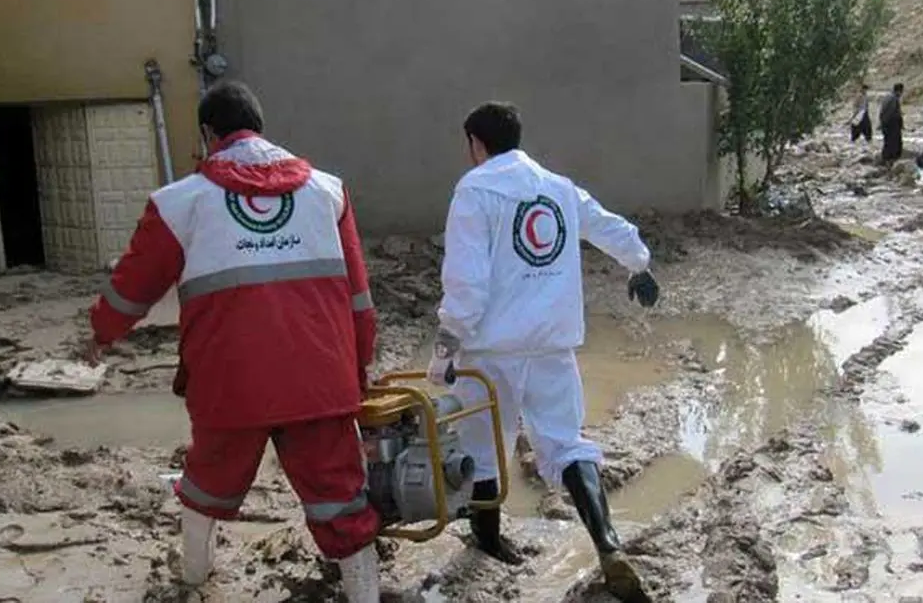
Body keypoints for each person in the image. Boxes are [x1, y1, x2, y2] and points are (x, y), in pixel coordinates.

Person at [86, 81, 381, 602]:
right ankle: (365, 594)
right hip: (319, 380)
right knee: (340, 498)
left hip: (229, 385)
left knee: (206, 485)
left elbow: (133, 289)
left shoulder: (180, 203)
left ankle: (194, 580)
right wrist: (354, 376)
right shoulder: (328, 192)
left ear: (208, 133)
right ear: (259, 127)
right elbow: (360, 301)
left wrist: (99, 335)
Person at [429, 102, 660, 603]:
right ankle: (608, 542)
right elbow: (607, 226)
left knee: (484, 445)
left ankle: (489, 542)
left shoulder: (475, 189)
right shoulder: (556, 186)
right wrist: (639, 264)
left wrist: (447, 345)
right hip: (553, 343)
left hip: (491, 349)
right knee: (565, 442)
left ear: (475, 143)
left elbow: (466, 283)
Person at [879, 83, 905, 165]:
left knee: (887, 142)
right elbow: (893, 113)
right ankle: (890, 161)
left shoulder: (887, 97)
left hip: (886, 124)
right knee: (894, 143)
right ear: (899, 91)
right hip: (892, 125)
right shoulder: (894, 99)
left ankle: (885, 160)